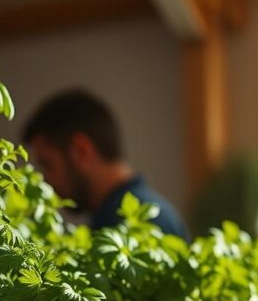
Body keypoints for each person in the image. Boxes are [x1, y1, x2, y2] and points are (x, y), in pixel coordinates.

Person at [22, 89, 189, 240]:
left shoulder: (134, 223)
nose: (44, 179)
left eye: (47, 164)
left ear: (82, 151)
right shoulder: (123, 213)